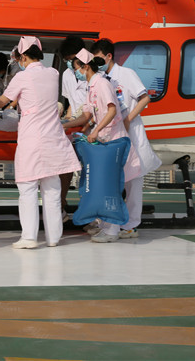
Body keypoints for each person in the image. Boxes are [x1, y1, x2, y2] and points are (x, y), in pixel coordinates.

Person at [0, 36, 82, 249]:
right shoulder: (53, 73)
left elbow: (2, 102)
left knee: (28, 188)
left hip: (32, 139)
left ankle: (29, 237)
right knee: (52, 189)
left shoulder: (22, 77)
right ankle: (53, 237)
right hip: (54, 138)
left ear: (23, 56)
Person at [63, 49, 142, 242]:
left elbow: (111, 110)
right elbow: (86, 115)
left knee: (111, 187)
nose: (76, 74)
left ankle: (112, 231)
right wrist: (63, 124)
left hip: (113, 141)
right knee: (104, 185)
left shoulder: (102, 84)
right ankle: (106, 227)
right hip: (104, 143)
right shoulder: (91, 86)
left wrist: (96, 130)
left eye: (77, 69)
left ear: (85, 67)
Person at [90, 39, 162, 239]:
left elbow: (144, 98)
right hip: (112, 135)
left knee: (133, 182)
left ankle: (130, 225)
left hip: (131, 132)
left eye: (99, 58)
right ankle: (107, 223)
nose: (97, 63)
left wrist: (128, 119)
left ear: (108, 56)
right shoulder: (101, 78)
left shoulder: (126, 74)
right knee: (111, 181)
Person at [57, 35, 89, 219]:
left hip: (91, 127)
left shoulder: (94, 73)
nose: (70, 64)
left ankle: (89, 209)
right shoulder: (67, 75)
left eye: (71, 60)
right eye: (67, 61)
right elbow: (71, 102)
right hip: (75, 126)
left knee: (89, 172)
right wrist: (66, 120)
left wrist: (72, 123)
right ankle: (61, 204)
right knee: (65, 166)